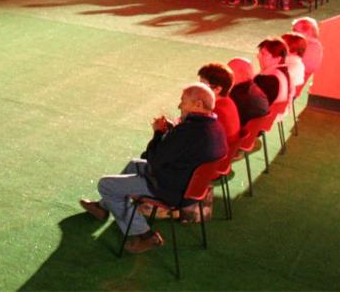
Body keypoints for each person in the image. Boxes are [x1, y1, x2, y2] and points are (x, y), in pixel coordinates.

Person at [79, 84, 227, 254]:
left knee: (106, 185)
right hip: (188, 186)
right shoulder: (215, 127)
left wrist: (158, 133)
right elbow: (182, 151)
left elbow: (151, 158)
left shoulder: (188, 131)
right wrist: (172, 134)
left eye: (183, 101)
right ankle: (102, 207)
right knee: (134, 165)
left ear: (198, 104)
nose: (179, 106)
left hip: (168, 189)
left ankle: (145, 235)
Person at [197, 63, 240, 143]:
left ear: (217, 89)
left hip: (220, 148)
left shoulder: (215, 110)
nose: (198, 88)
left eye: (202, 86)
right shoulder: (228, 101)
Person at [227, 57, 270, 125]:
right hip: (257, 128)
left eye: (229, 72)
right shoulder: (256, 89)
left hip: (242, 129)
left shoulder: (236, 95)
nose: (226, 75)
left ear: (241, 73)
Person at [254, 38, 290, 107]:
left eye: (263, 54)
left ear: (278, 58)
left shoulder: (267, 79)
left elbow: (254, 105)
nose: (258, 56)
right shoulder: (284, 73)